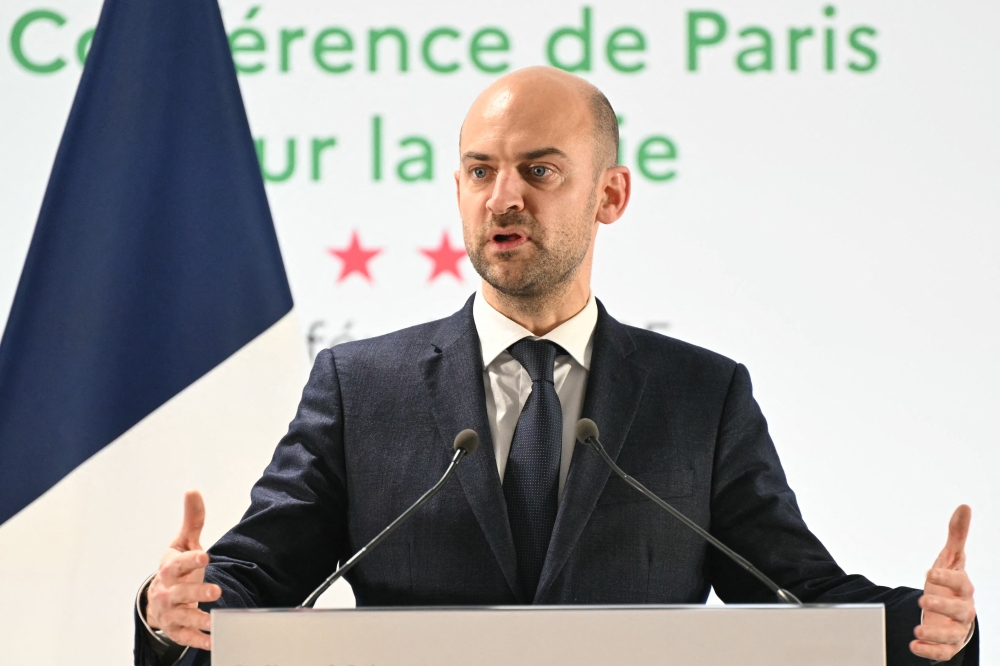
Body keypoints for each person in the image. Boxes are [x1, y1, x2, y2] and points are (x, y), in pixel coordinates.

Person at [134, 67, 978, 666]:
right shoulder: (362, 388)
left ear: (610, 195)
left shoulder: (700, 395)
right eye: (481, 171)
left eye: (539, 170)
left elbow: (796, 591)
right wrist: (174, 608)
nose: (504, 197)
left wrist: (924, 627)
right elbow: (258, 574)